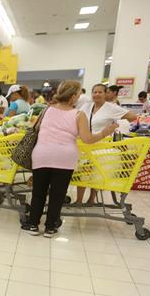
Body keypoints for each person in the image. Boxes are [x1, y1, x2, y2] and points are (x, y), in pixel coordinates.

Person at [22, 80, 117, 237]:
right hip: (65, 157)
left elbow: (36, 128)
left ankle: (33, 224)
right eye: (79, 94)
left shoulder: (47, 110)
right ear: (73, 96)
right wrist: (105, 133)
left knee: (39, 192)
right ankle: (50, 228)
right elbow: (87, 139)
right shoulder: (79, 115)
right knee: (57, 194)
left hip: (42, 154)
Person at [76, 83, 138, 205]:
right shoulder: (86, 107)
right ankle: (78, 200)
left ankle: (91, 199)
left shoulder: (111, 108)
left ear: (105, 94)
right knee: (82, 171)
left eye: (100, 92)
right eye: (94, 92)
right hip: (85, 142)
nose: (97, 94)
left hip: (102, 144)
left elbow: (132, 116)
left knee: (97, 172)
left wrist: (117, 123)